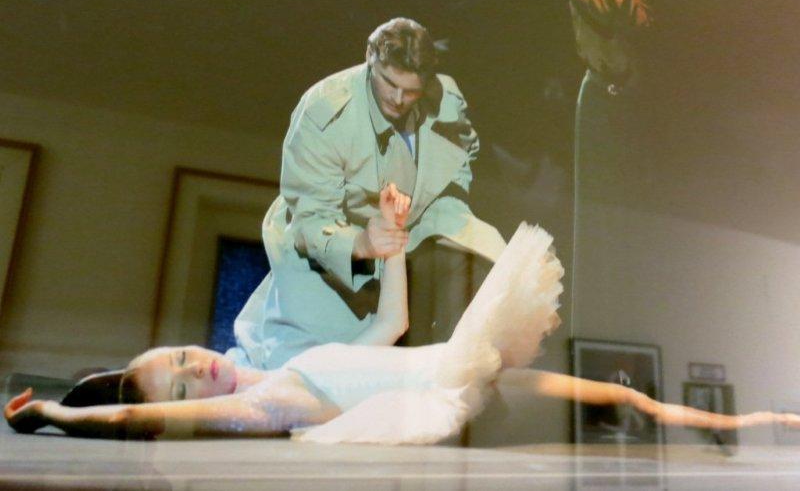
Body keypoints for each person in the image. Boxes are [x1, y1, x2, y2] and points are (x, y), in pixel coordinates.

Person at [6, 186, 797, 443]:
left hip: (457, 361)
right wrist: (54, 414)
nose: (195, 371)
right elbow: (133, 419)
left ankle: (758, 420)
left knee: (622, 399)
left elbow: (389, 327)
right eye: (183, 390)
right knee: (604, 405)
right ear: (187, 415)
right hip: (447, 381)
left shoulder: (287, 365)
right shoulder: (266, 402)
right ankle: (754, 423)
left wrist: (392, 238)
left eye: (180, 357)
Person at [229, 17, 506, 369]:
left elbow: (464, 153)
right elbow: (312, 220)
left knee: (499, 273)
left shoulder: (446, 98)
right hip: (326, 259)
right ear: (370, 57)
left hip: (408, 241)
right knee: (308, 369)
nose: (398, 99)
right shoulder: (324, 112)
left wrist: (443, 213)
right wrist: (362, 243)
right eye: (389, 83)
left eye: (411, 91)